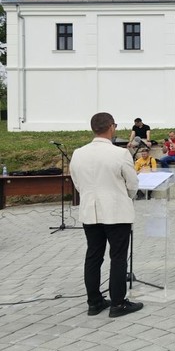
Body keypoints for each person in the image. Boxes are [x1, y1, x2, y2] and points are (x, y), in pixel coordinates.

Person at [70, 112, 143, 318]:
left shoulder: (78, 153)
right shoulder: (119, 154)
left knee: (93, 256)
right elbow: (132, 185)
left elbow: (77, 183)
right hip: (116, 212)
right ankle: (118, 303)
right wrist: (126, 196)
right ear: (111, 127)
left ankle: (94, 302)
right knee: (118, 258)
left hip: (90, 211)